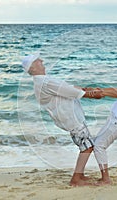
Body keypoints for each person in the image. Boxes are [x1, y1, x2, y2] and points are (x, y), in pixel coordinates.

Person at [21, 52, 103, 186]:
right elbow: (71, 92)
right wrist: (92, 94)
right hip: (70, 117)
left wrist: (87, 89)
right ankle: (76, 179)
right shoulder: (45, 82)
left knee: (85, 145)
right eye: (37, 61)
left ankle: (80, 175)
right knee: (87, 146)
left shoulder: (43, 81)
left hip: (68, 117)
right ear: (33, 68)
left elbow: (66, 88)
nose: (41, 60)